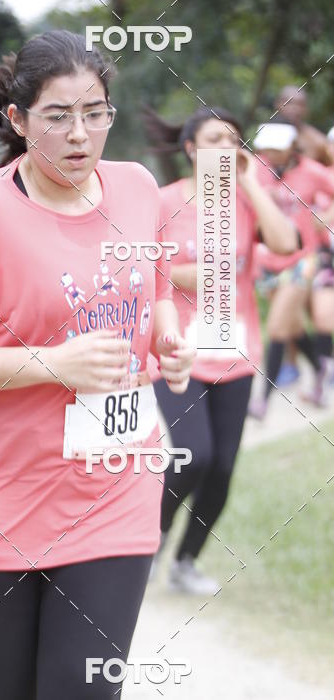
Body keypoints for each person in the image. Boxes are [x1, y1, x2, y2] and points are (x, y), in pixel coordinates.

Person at [0, 30, 195, 699]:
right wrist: (52, 363)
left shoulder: (137, 186)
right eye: (58, 116)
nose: (81, 134)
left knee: (83, 690)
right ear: (19, 120)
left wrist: (167, 331)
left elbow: (154, 277)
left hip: (116, 489)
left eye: (95, 113)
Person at [142, 107, 298, 594]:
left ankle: (187, 562)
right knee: (194, 454)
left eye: (234, 141)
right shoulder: (163, 202)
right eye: (215, 139)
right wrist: (190, 275)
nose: (227, 149)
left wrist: (251, 184)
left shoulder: (248, 201)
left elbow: (287, 244)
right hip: (176, 351)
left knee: (224, 467)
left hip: (236, 353)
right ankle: (152, 539)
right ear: (191, 149)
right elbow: (144, 270)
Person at [248, 120, 334, 419]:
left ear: (289, 149)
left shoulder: (310, 170)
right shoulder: (257, 168)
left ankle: (262, 400)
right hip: (267, 260)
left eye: (275, 149)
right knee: (294, 327)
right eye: (265, 148)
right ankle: (322, 373)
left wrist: (324, 216)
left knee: (276, 327)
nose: (268, 153)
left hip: (302, 258)